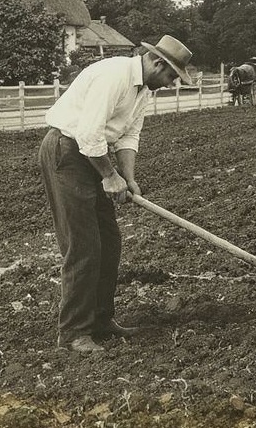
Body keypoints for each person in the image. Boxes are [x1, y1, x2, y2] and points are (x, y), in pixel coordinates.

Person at [39, 35, 193, 354]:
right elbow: (88, 133)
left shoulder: (143, 90)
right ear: (157, 63)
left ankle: (100, 320)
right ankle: (72, 333)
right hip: (67, 153)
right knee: (83, 246)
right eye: (171, 76)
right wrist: (109, 175)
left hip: (91, 155)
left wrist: (128, 178)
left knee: (109, 241)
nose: (171, 83)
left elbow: (128, 136)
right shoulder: (115, 75)